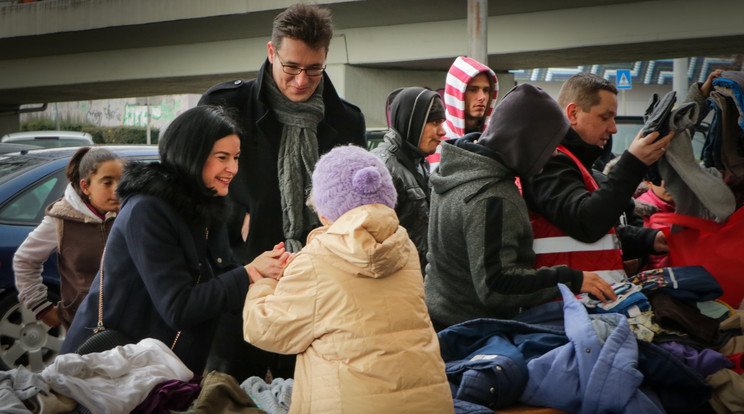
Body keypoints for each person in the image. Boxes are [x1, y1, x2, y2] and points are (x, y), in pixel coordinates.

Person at [198, 2, 366, 380]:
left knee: (306, 392)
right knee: (230, 391)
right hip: (240, 277)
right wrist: (233, 226)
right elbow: (192, 190)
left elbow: (354, 210)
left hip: (316, 285)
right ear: (271, 52)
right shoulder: (225, 106)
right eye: (291, 67)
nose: (302, 81)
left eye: (314, 69)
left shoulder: (346, 120)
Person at [59, 105, 290, 375]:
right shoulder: (148, 209)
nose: (233, 168)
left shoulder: (206, 205)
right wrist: (250, 273)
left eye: (236, 157)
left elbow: (221, 276)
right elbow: (178, 307)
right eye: (222, 157)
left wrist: (273, 271)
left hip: (153, 370)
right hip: (106, 373)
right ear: (192, 154)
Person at [243, 145, 453, 413]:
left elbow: (265, 329)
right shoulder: (403, 245)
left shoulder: (317, 259)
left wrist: (264, 283)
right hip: (429, 403)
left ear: (323, 209)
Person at [424, 83, 616, 332]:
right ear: (528, 140)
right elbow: (496, 285)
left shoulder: (458, 170)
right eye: (549, 145)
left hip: (441, 322)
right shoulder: (491, 196)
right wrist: (572, 279)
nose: (553, 155)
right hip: (473, 334)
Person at [522, 72, 674, 283]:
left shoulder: (579, 166)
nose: (613, 128)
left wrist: (651, 239)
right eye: (605, 117)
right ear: (573, 113)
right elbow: (586, 222)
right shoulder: (548, 162)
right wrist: (633, 163)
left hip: (583, 304)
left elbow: (604, 232)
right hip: (565, 306)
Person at [14, 148, 124, 329]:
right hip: (82, 325)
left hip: (131, 324)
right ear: (85, 186)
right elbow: (24, 261)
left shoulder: (129, 213)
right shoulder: (60, 220)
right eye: (107, 183)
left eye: (121, 181)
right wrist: (41, 308)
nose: (117, 189)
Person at [372, 87, 445, 271]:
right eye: (435, 122)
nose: (442, 131)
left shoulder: (419, 162)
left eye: (442, 122)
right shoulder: (381, 168)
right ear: (413, 122)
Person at [427, 56, 498, 171]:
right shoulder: (436, 140)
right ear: (456, 93)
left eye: (486, 90)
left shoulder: (495, 138)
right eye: (473, 90)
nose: (482, 97)